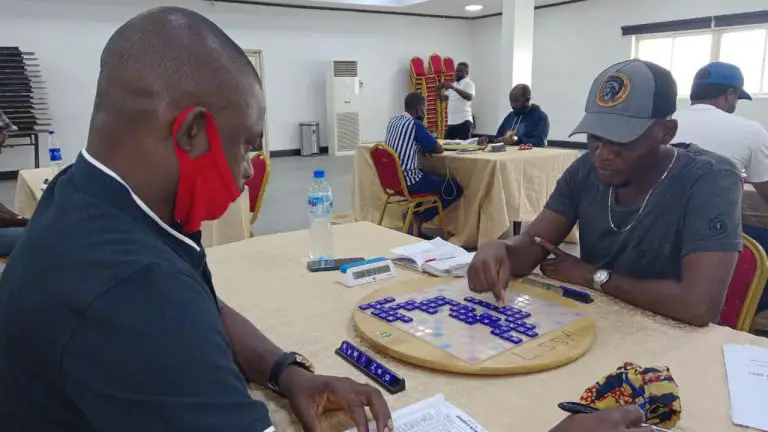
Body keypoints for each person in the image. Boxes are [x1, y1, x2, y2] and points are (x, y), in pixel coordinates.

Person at [0, 8, 393, 432]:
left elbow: (206, 306)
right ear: (191, 132)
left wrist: (286, 372)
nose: (249, 168)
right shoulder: (137, 288)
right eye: (246, 144)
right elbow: (165, 307)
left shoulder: (80, 191)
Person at [467, 59, 743, 327]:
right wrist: (502, 250)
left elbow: (698, 306)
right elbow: (533, 244)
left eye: (622, 140)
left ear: (667, 132)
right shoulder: (585, 169)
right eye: (595, 137)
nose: (603, 154)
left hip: (676, 339)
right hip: (601, 323)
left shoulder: (711, 179)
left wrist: (593, 277)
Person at [673, 62, 768, 201]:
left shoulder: (665, 124)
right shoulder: (751, 131)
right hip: (715, 214)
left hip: (656, 213)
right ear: (730, 95)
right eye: (736, 98)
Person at [385, 92, 463, 237]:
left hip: (393, 181)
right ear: (419, 108)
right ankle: (419, 217)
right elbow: (438, 149)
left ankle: (414, 222)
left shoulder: (393, 121)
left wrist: (420, 146)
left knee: (425, 175)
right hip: (410, 182)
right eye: (425, 107)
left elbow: (404, 143)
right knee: (453, 188)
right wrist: (426, 144)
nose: (425, 111)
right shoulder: (415, 124)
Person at [442, 62, 475, 140]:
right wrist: (440, 89)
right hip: (452, 122)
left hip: (464, 121)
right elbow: (443, 99)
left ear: (466, 73)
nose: (456, 73)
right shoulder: (454, 84)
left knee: (464, 146)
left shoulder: (469, 83)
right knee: (447, 144)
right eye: (456, 71)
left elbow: (469, 97)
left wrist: (453, 88)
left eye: (459, 71)